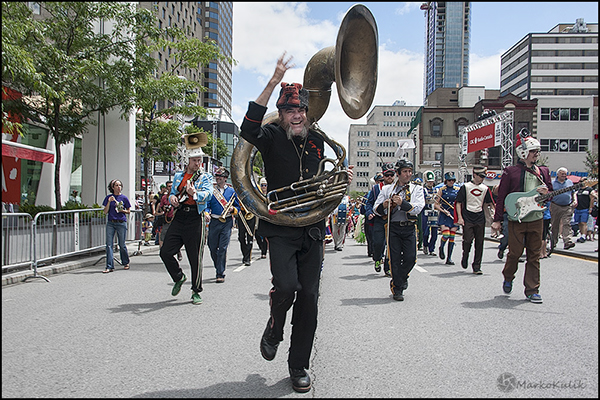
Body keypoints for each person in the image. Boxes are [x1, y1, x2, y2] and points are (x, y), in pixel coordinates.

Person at [239, 53, 353, 393]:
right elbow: (247, 127)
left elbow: (321, 182)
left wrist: (340, 181)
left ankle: (298, 365)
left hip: (313, 229)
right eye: (291, 110)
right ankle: (275, 327)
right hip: (280, 228)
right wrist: (273, 81)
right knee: (286, 288)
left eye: (302, 109)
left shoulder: (319, 141)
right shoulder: (271, 137)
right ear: (283, 114)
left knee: (310, 299)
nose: (298, 115)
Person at [491, 129, 552, 303]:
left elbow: (551, 193)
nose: (536, 155)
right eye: (533, 151)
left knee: (534, 255)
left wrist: (547, 193)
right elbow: (502, 197)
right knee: (514, 253)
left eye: (537, 152)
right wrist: (496, 220)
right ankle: (508, 276)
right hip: (516, 219)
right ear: (523, 152)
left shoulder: (543, 172)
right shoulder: (511, 171)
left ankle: (532, 289)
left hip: (536, 218)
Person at [159, 147, 213, 305]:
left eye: (199, 161)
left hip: (196, 217)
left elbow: (208, 194)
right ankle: (178, 277)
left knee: (194, 257)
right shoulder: (178, 176)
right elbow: (172, 193)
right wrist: (172, 199)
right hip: (180, 216)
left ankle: (196, 291)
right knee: (166, 252)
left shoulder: (205, 177)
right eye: (194, 160)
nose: (197, 163)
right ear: (188, 161)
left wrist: (194, 193)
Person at [373, 158, 425, 301]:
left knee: (410, 258)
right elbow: (375, 209)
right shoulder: (387, 189)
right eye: (405, 172)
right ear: (398, 173)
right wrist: (384, 205)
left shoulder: (417, 189)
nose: (408, 174)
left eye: (410, 171)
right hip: (393, 227)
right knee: (394, 259)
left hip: (409, 227)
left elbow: (418, 208)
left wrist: (403, 203)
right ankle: (397, 288)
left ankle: (401, 278)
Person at [455, 166, 494, 274]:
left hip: (480, 217)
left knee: (480, 243)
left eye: (483, 176)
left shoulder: (485, 188)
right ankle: (465, 255)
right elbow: (458, 202)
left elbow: (490, 203)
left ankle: (477, 266)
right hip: (467, 217)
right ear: (474, 175)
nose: (482, 178)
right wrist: (460, 217)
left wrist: (494, 215)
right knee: (467, 240)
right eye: (480, 176)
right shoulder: (465, 187)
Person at [207, 167, 240, 282]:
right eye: (217, 176)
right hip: (214, 221)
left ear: (225, 178)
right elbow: (207, 205)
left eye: (220, 177)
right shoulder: (211, 191)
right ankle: (218, 266)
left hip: (226, 221)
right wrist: (206, 212)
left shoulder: (231, 191)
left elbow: (238, 207)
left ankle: (220, 273)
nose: (218, 178)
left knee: (223, 248)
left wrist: (233, 209)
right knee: (212, 247)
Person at [365, 163, 396, 276]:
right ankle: (377, 259)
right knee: (378, 243)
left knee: (391, 245)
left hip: (393, 220)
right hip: (379, 219)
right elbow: (369, 204)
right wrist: (369, 213)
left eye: (391, 175)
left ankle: (388, 267)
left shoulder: (399, 187)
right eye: (387, 175)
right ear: (383, 175)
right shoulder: (376, 188)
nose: (389, 177)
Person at [101, 179, 131, 273]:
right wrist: (109, 202)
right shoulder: (109, 197)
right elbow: (105, 211)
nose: (119, 187)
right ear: (112, 187)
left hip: (121, 222)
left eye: (120, 185)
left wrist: (122, 210)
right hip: (111, 222)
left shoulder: (124, 198)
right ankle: (109, 266)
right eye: (116, 185)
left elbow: (128, 211)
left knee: (122, 244)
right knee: (109, 244)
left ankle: (125, 262)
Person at [435, 172, 460, 265]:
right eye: (449, 180)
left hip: (454, 214)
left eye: (453, 180)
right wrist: (443, 210)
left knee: (452, 237)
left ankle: (449, 258)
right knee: (446, 234)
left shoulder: (458, 190)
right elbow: (436, 204)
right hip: (445, 214)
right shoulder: (442, 190)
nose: (451, 182)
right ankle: (441, 247)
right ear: (446, 181)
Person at [549, 167, 576, 251]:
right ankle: (553, 242)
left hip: (567, 206)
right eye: (562, 173)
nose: (564, 175)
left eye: (565, 173)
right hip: (555, 206)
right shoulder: (552, 183)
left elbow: (573, 192)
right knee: (555, 225)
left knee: (566, 223)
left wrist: (575, 200)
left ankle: (568, 241)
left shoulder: (569, 182)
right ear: (558, 174)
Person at [362, 173, 383, 258]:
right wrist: (369, 212)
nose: (381, 182)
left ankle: (380, 253)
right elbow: (365, 208)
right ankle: (372, 251)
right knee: (371, 237)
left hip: (383, 217)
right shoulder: (371, 192)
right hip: (372, 219)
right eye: (379, 181)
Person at [421, 170, 439, 257]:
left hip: (434, 212)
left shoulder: (437, 190)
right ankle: (425, 245)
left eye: (432, 181)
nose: (431, 183)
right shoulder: (423, 190)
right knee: (426, 232)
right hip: (426, 211)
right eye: (429, 181)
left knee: (435, 232)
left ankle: (432, 248)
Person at [574, 177, 596, 243]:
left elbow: (592, 198)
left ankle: (583, 236)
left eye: (583, 181)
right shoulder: (578, 190)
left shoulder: (589, 189)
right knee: (579, 223)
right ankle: (581, 235)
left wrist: (590, 208)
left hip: (585, 208)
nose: (581, 182)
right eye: (580, 181)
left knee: (584, 222)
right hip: (578, 209)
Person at [236, 199, 256, 266]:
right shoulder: (236, 191)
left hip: (251, 213)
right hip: (241, 213)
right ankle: (245, 254)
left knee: (249, 236)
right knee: (241, 237)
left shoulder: (254, 188)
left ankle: (247, 258)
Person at [255, 177, 269, 259]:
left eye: (265, 185)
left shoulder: (269, 194)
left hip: (267, 216)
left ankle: (263, 252)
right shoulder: (258, 194)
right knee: (257, 234)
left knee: (265, 235)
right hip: (259, 216)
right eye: (262, 185)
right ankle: (261, 247)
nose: (263, 187)